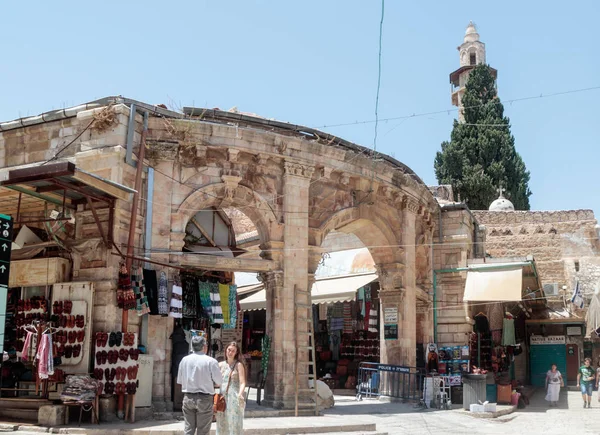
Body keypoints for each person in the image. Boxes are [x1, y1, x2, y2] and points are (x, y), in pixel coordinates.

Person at [177, 335, 223, 435]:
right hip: (205, 399)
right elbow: (219, 381)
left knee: (189, 429)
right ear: (204, 347)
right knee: (203, 431)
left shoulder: (184, 360)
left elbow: (180, 380)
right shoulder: (211, 361)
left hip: (188, 397)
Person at [216, 342, 247, 435]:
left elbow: (242, 382)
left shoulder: (239, 365)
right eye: (229, 350)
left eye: (233, 351)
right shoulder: (220, 365)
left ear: (236, 353)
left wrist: (240, 394)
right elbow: (217, 382)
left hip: (234, 397)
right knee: (222, 421)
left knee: (233, 422)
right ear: (226, 350)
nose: (230, 352)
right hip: (222, 397)